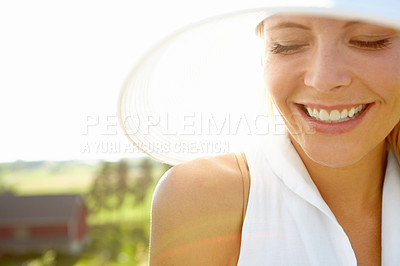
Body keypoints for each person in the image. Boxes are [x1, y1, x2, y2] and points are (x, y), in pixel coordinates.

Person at [119, 1, 400, 265]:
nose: (322, 79)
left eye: (369, 40)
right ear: (263, 57)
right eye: (288, 45)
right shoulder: (202, 198)